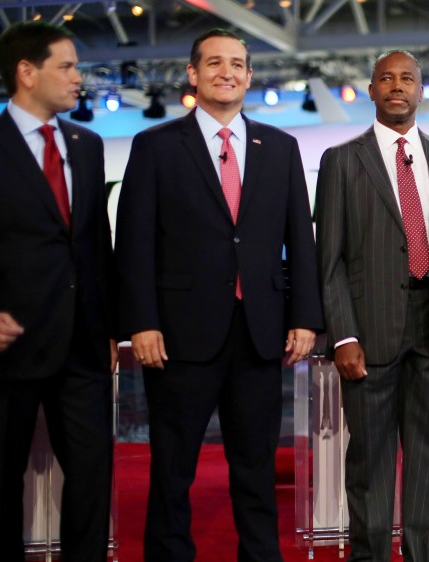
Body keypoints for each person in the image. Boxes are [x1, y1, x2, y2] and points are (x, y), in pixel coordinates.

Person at [114, 28, 323, 562]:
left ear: (250, 77)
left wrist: (305, 317)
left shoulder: (280, 147)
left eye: (237, 64)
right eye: (214, 63)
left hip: (259, 331)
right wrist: (140, 321)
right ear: (193, 74)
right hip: (177, 334)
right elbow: (134, 242)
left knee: (255, 465)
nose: (226, 72)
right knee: (172, 466)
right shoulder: (155, 146)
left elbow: (300, 236)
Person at [315, 49, 429, 561]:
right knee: (370, 458)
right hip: (368, 331)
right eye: (385, 78)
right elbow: (330, 260)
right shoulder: (342, 160)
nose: (396, 86)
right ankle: (369, 555)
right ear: (370, 90)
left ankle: (420, 553)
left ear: (419, 89)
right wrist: (343, 334)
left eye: (407, 78)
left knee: (428, 456)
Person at [0, 22, 117, 562]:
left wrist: (111, 324)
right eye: (66, 67)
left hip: (85, 345)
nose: (78, 78)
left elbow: (97, 243)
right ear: (27, 72)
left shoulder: (86, 147)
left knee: (92, 478)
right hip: (8, 346)